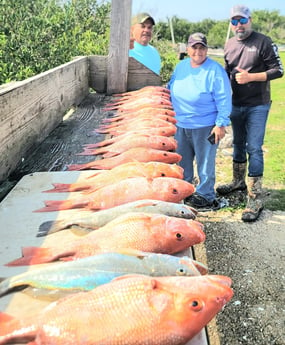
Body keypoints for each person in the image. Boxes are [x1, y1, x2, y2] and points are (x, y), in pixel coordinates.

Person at [216, 5, 284, 222]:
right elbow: (226, 74)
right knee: (237, 143)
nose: (238, 25)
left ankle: (255, 197)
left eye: (242, 21)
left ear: (250, 20)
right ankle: (238, 182)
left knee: (254, 147)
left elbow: (279, 70)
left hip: (258, 105)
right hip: (236, 104)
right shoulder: (228, 44)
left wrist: (251, 77)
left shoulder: (263, 42)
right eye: (234, 21)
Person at [167, 32, 232, 210]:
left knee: (205, 164)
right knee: (182, 163)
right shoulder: (180, 67)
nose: (198, 51)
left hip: (205, 126)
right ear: (187, 49)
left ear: (206, 49)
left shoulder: (215, 70)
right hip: (180, 124)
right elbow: (170, 87)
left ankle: (206, 196)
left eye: (202, 47)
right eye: (194, 47)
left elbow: (224, 98)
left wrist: (221, 124)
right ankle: (185, 191)